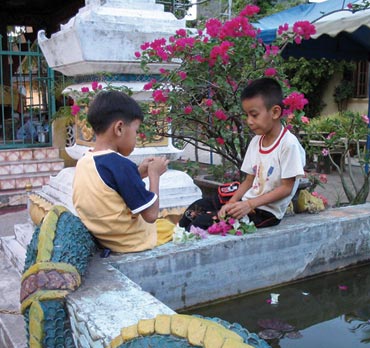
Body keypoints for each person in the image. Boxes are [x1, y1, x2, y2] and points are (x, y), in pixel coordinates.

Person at [179, 77, 305, 230]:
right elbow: (249, 180)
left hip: (265, 212)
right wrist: (232, 202)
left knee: (202, 223)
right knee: (193, 211)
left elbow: (286, 188)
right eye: (247, 115)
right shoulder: (256, 142)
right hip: (246, 203)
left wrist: (249, 204)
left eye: (254, 115)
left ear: (275, 112)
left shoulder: (289, 145)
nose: (249, 121)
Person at [72, 90, 174, 253]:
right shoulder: (120, 165)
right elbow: (150, 215)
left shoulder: (85, 160)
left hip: (106, 237)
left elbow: (110, 186)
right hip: (131, 242)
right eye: (135, 131)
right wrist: (154, 175)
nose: (136, 137)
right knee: (168, 226)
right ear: (119, 128)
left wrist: (139, 172)